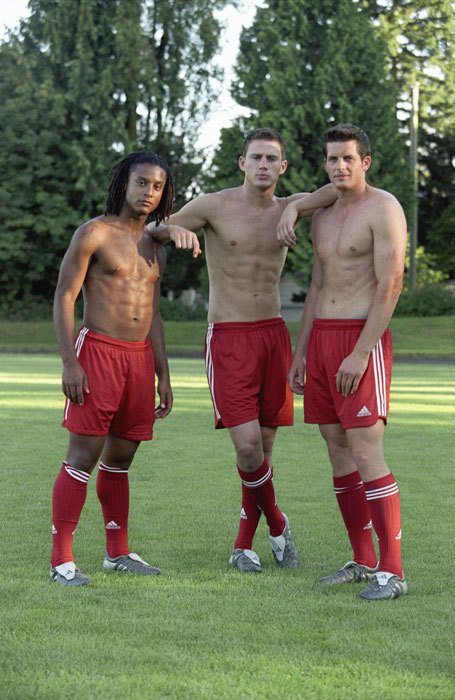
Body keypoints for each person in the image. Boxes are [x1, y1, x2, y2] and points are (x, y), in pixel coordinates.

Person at [152, 127, 337, 572]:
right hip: (228, 337)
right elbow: (155, 228)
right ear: (242, 163)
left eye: (272, 159)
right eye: (256, 157)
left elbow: (338, 189)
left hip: (273, 335)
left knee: (265, 450)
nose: (263, 165)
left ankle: (242, 547)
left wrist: (295, 208)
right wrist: (173, 232)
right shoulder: (215, 206)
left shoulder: (289, 206)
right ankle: (278, 524)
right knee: (249, 447)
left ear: (283, 166)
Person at [281, 123, 408, 600]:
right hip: (322, 341)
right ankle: (362, 559)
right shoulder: (323, 214)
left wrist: (360, 352)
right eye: (332, 158)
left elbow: (390, 284)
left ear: (365, 162)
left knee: (366, 450)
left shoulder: (384, 208)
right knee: (337, 449)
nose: (339, 166)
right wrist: (301, 351)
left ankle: (392, 572)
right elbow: (317, 285)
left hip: (360, 339)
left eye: (348, 158)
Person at [50, 151, 185, 586]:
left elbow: (155, 314)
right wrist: (70, 362)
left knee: (121, 459)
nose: (149, 192)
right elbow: (64, 297)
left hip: (139, 360)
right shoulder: (93, 233)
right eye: (142, 182)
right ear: (124, 184)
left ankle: (118, 552)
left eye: (157, 186)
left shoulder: (156, 247)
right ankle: (61, 559)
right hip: (97, 353)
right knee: (82, 456)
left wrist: (163, 374)